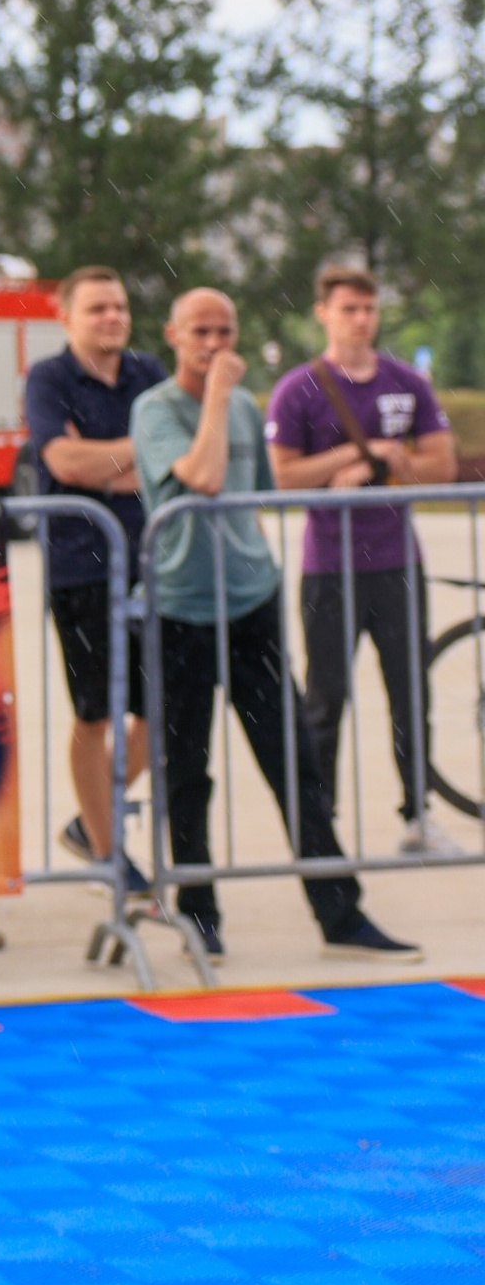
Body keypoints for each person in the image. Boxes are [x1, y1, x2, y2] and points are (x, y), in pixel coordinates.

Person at [131, 290, 412, 964]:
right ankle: (199, 912)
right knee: (188, 769)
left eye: (225, 330)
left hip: (248, 601)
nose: (215, 343)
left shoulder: (249, 405)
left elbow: (250, 493)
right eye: (201, 331)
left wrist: (257, 557)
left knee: (294, 762)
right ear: (174, 334)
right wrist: (219, 396)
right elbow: (202, 477)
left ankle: (339, 911)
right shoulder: (155, 409)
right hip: (179, 609)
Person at [268, 261, 456, 857]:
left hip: (398, 561)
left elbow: (442, 467)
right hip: (330, 565)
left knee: (409, 693)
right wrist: (346, 464)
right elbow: (283, 476)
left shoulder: (407, 383)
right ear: (323, 313)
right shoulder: (298, 388)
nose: (361, 320)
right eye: (348, 309)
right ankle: (321, 823)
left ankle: (416, 813)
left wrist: (392, 461)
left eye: (369, 309)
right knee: (326, 698)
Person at [20, 266, 163, 887]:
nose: (112, 317)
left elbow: (167, 453)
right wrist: (144, 449)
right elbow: (63, 461)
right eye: (98, 307)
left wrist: (107, 457)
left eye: (119, 306)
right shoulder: (49, 378)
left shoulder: (149, 372)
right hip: (82, 565)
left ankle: (90, 819)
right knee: (94, 712)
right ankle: (109, 853)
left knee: (163, 706)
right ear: (66, 317)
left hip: (155, 560)